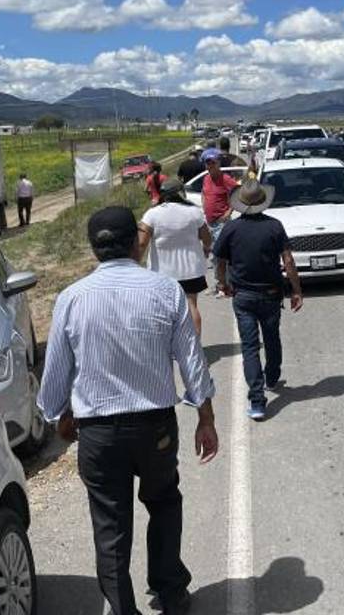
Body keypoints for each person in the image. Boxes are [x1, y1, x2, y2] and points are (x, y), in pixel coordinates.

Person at [38, 206, 218, 615]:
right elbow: (191, 362)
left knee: (110, 526)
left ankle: (123, 609)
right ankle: (171, 592)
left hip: (98, 434)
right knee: (164, 503)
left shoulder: (71, 298)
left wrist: (60, 419)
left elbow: (53, 383)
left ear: (93, 248)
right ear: (137, 245)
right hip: (155, 426)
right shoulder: (166, 290)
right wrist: (205, 418)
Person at [213, 179, 303, 421]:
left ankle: (257, 400)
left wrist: (222, 283)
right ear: (263, 202)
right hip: (271, 294)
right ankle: (272, 377)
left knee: (250, 347)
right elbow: (289, 261)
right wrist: (296, 291)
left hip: (243, 296)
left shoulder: (231, 229)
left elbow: (219, 260)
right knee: (272, 338)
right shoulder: (275, 227)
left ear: (241, 203)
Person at [138, 178, 213, 335]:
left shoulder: (152, 215)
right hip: (191, 270)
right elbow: (207, 238)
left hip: (162, 273)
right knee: (191, 306)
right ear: (181, 193)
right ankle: (194, 348)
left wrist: (134, 265)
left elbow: (141, 243)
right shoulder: (194, 212)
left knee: (166, 310)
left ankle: (170, 347)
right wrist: (206, 249)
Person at [200, 148, 240, 295]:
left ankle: (224, 285)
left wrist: (229, 212)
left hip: (221, 222)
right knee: (214, 256)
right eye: (208, 162)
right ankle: (221, 284)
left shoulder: (225, 179)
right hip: (209, 222)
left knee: (220, 255)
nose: (210, 165)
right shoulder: (206, 178)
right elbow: (204, 193)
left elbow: (238, 193)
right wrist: (204, 205)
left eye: (213, 162)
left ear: (218, 163)